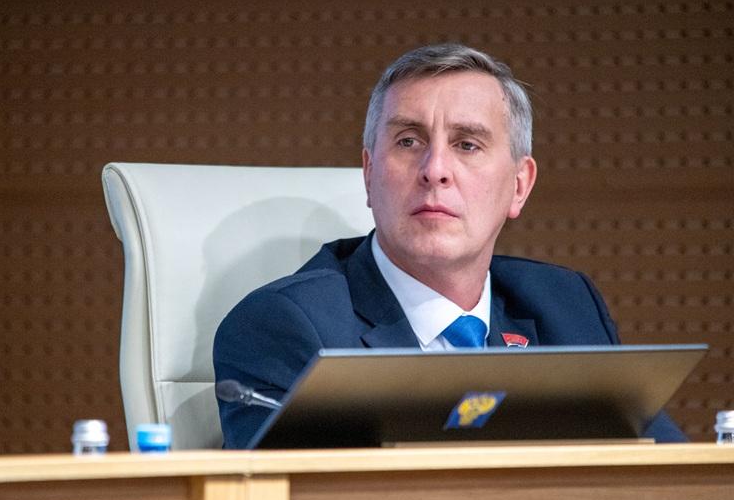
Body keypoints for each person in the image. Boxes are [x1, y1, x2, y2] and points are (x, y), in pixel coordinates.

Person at [213, 43, 686, 449]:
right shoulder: (290, 328)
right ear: (369, 174)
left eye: (467, 145)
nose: (435, 169)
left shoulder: (566, 307)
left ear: (519, 185)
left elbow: (671, 475)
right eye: (408, 141)